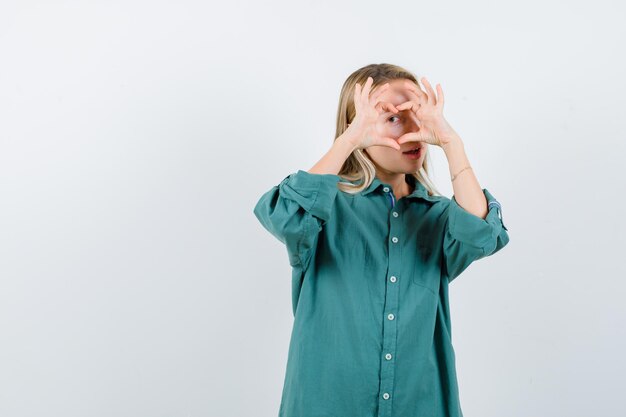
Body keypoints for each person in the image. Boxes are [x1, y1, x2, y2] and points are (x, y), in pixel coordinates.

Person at [252, 63, 510, 417]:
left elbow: (482, 235)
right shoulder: (325, 207)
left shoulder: (437, 216)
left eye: (418, 113)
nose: (414, 129)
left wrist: (451, 142)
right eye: (391, 118)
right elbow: (284, 215)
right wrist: (348, 141)